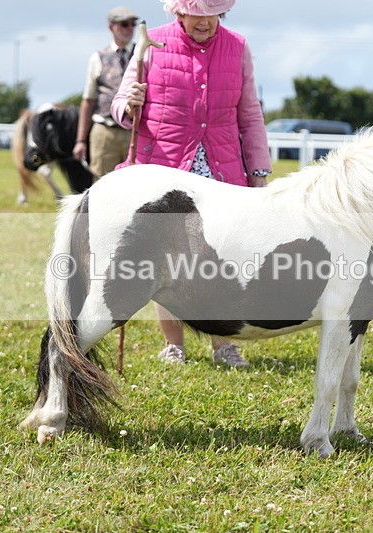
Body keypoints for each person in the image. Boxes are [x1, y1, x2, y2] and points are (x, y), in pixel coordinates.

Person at [111, 0, 272, 368]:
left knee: (221, 257)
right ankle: (173, 344)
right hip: (165, 167)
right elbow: (122, 103)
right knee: (166, 259)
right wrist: (128, 105)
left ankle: (224, 343)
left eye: (213, 12)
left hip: (220, 167)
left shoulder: (238, 46)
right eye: (197, 12)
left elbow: (249, 113)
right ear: (179, 13)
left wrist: (258, 171)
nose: (205, 21)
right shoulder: (151, 42)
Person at [73, 6, 139, 178]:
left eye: (133, 24)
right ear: (111, 27)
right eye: (124, 24)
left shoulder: (144, 54)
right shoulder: (97, 58)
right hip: (105, 131)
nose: (130, 28)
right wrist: (81, 140)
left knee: (138, 185)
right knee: (102, 184)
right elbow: (88, 100)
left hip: (136, 131)